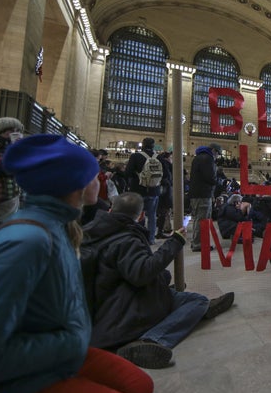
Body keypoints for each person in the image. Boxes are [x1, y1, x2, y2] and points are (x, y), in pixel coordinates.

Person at [0, 134, 154, 393]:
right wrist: (70, 343)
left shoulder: (59, 226)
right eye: (94, 173)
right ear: (74, 183)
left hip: (59, 347)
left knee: (140, 385)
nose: (99, 179)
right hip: (16, 383)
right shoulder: (25, 242)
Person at [82, 192, 235, 369]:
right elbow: (142, 273)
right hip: (122, 316)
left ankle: (195, 308)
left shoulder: (93, 232)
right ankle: (151, 339)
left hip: (104, 306)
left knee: (174, 290)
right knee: (197, 301)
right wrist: (174, 242)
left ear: (110, 210)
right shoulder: (126, 239)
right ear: (141, 215)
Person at [126, 137, 166, 244]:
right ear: (153, 146)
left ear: (142, 145)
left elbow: (128, 172)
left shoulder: (135, 156)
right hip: (154, 191)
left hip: (138, 190)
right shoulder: (159, 157)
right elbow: (166, 174)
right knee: (152, 216)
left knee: (136, 215)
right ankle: (151, 239)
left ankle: (136, 238)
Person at [188, 143, 221, 251]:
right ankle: (198, 244)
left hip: (196, 193)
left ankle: (196, 242)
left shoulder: (198, 158)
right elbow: (210, 177)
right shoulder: (207, 159)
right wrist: (218, 181)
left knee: (198, 219)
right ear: (213, 151)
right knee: (202, 219)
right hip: (203, 194)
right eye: (218, 154)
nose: (217, 157)